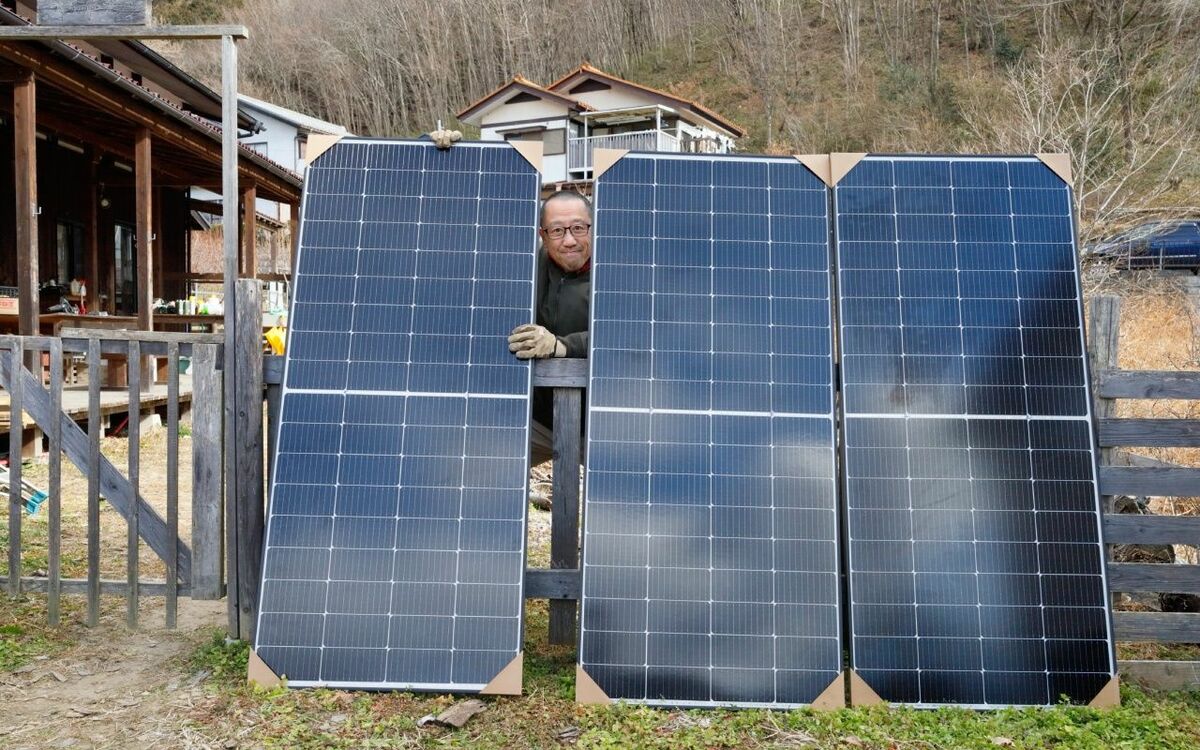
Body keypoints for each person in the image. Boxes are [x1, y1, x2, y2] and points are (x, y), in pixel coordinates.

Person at [430, 129, 590, 467]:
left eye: (579, 228)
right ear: (543, 235)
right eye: (558, 231)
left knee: (633, 498)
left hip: (606, 418)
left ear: (593, 227)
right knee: (472, 463)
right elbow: (471, 222)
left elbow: (636, 333)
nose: (570, 240)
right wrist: (436, 155)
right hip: (534, 418)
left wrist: (562, 346)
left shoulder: (623, 271)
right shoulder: (522, 263)